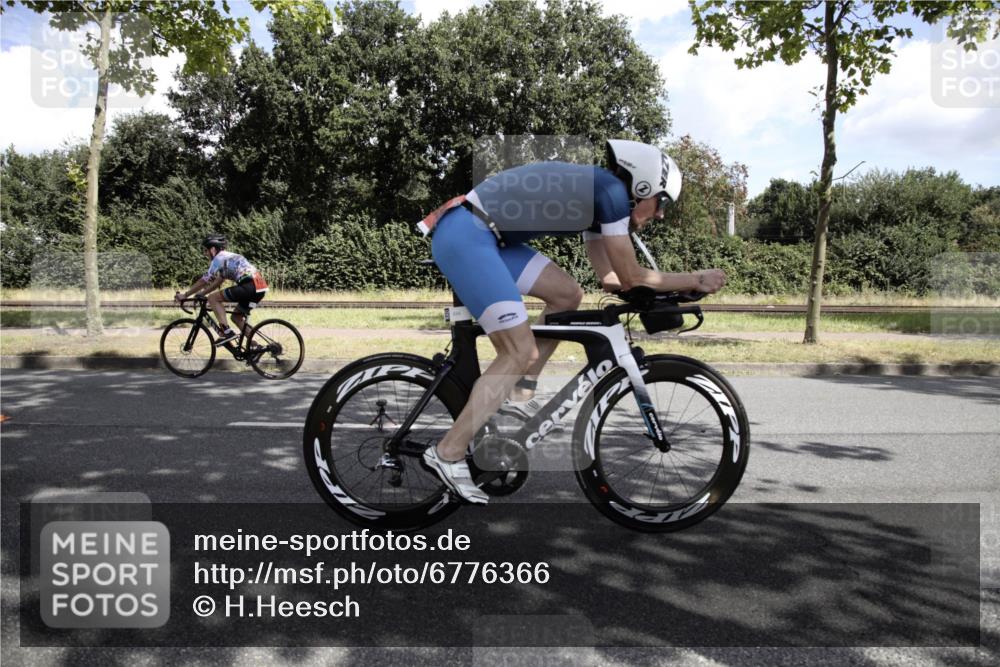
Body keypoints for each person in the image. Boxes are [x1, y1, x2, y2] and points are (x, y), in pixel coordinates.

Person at [418, 139, 727, 503]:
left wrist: (668, 292)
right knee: (518, 351)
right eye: (662, 203)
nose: (660, 214)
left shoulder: (601, 202)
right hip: (469, 234)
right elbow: (630, 276)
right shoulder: (611, 193)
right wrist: (695, 279)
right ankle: (447, 452)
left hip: (488, 236)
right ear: (643, 187)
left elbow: (610, 279)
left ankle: (519, 392)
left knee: (567, 296)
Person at [174, 235, 268, 345]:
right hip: (260, 287)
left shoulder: (218, 258)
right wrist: (202, 293)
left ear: (213, 249)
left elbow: (204, 280)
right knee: (236, 317)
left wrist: (185, 295)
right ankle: (255, 347)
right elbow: (218, 281)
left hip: (249, 285)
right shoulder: (228, 258)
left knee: (213, 298)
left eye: (206, 250)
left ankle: (226, 332)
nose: (205, 254)